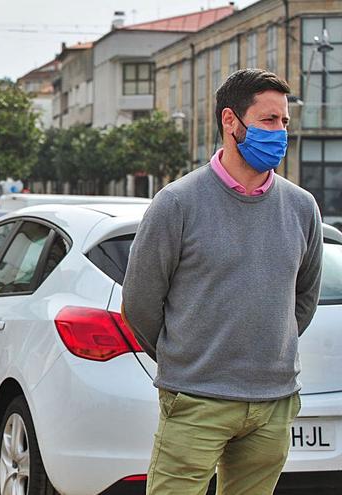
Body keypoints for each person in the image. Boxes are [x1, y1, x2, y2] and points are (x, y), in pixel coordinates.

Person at [122, 69, 323, 494]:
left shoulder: (302, 207)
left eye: (284, 122)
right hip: (196, 398)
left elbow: (303, 301)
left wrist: (266, 349)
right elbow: (140, 304)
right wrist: (188, 358)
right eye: (269, 120)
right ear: (230, 121)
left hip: (274, 402)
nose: (280, 132)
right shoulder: (177, 203)